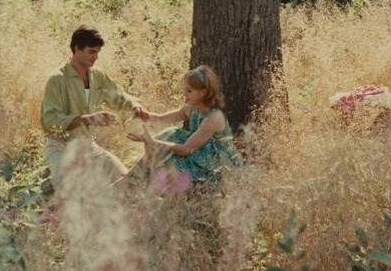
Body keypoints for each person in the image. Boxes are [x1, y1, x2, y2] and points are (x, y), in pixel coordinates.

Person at [41, 24, 148, 186]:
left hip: (88, 146)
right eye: (91, 52)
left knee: (127, 182)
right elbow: (50, 121)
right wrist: (89, 119)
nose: (96, 57)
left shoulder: (97, 75)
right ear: (77, 49)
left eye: (97, 52)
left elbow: (118, 96)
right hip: (61, 147)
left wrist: (134, 104)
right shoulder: (57, 79)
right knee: (70, 193)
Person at [125, 65, 241, 187]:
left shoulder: (214, 117)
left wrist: (152, 141)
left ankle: (138, 182)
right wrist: (147, 116)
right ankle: (132, 179)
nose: (185, 94)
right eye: (184, 90)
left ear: (203, 92)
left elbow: (186, 149)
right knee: (171, 135)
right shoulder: (191, 109)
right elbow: (161, 118)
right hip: (198, 156)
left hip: (215, 166)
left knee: (171, 141)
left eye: (189, 91)